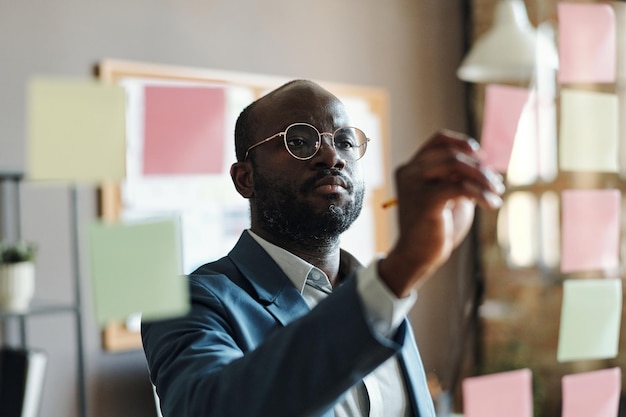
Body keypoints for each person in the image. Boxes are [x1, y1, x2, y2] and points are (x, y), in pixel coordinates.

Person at [141, 79, 504, 417]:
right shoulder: (186, 302)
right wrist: (401, 268)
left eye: (345, 141)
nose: (333, 157)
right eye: (298, 142)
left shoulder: (376, 292)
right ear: (246, 178)